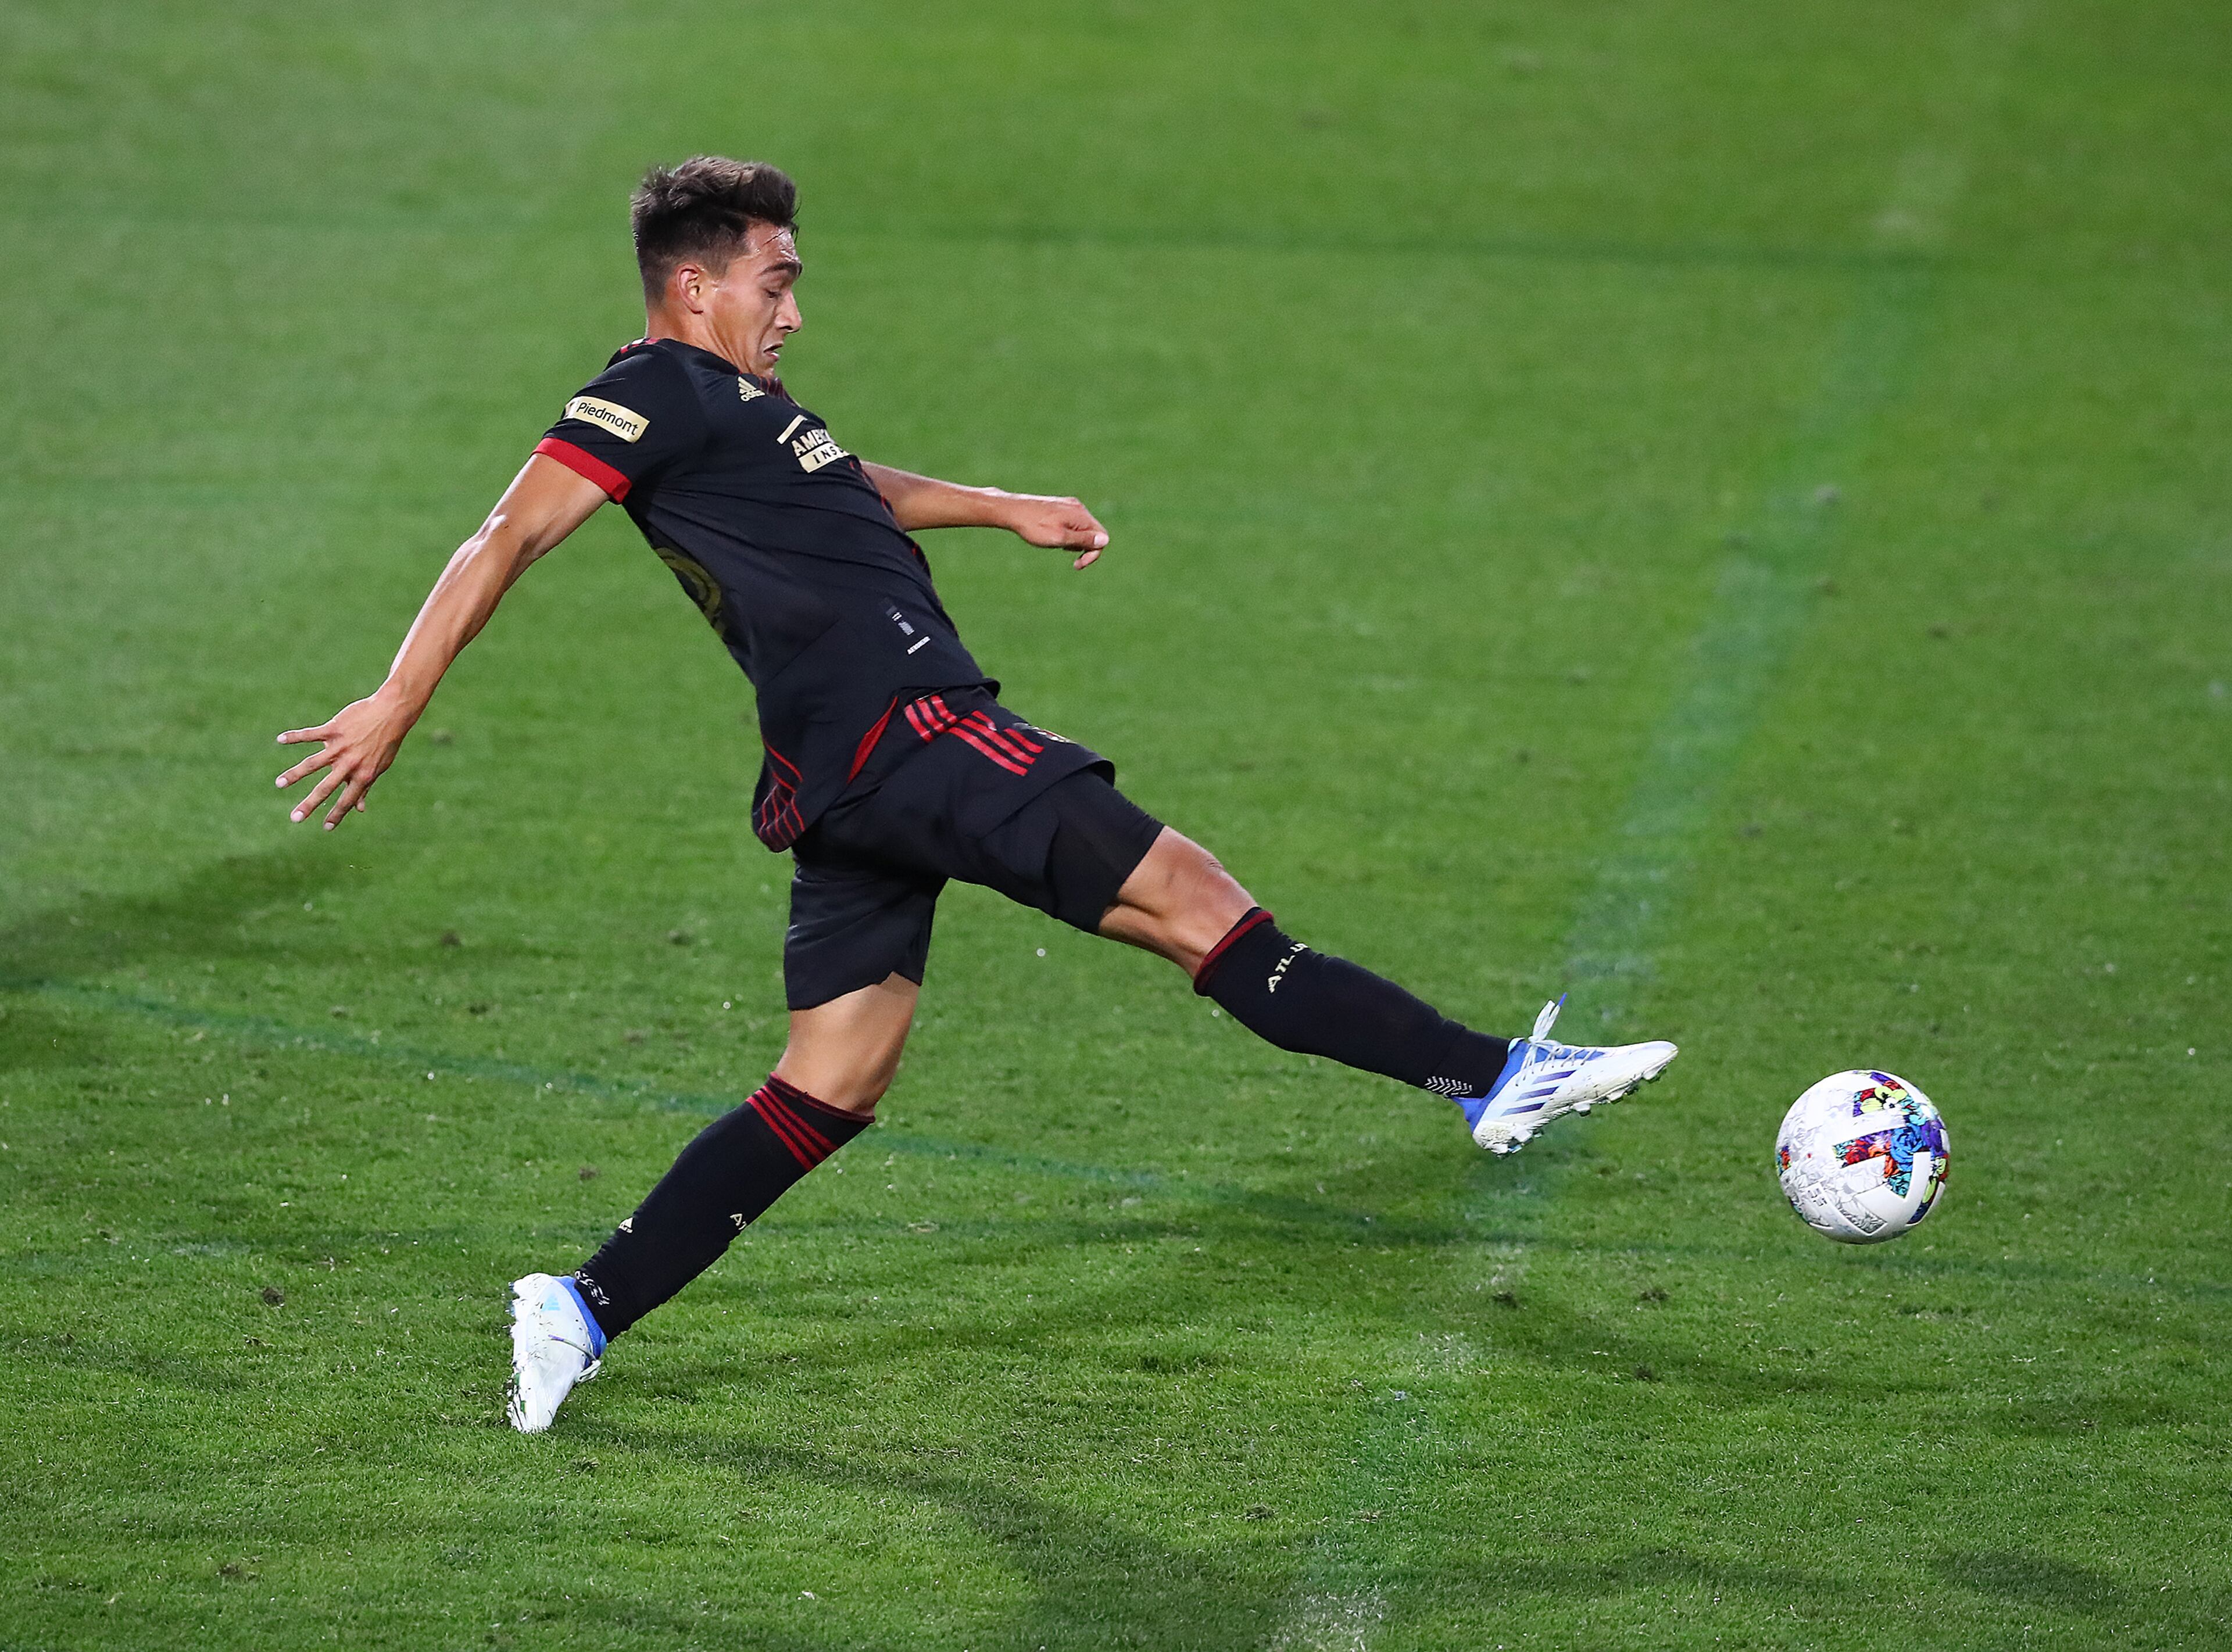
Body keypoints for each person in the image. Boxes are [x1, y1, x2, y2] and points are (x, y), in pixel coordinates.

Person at [273, 157, 1677, 1434]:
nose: (795, 311)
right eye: (778, 279)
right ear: (692, 285)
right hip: (921, 736)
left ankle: (579, 1308)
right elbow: (508, 529)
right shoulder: (649, 391)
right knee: (1208, 915)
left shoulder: (744, 415)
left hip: (845, 779)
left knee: (831, 1084)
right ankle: (1495, 1077)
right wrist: (400, 695)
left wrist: (999, 503)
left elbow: (846, 488)